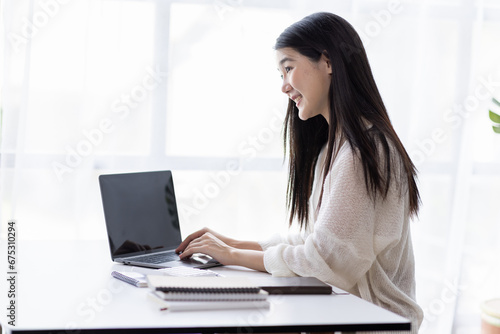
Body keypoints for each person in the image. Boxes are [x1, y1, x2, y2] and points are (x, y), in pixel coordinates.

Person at [176, 12, 423, 333]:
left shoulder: (364, 151)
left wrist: (233, 254)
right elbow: (317, 242)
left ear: (329, 62)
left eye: (288, 68)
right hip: (348, 318)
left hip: (373, 325)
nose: (283, 86)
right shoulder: (335, 148)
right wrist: (234, 245)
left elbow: (327, 261)